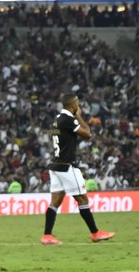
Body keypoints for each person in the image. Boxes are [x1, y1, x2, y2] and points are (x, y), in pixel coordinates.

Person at [41, 94, 115, 245]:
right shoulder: (68, 119)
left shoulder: (57, 119)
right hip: (66, 166)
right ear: (73, 105)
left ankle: (47, 236)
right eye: (77, 103)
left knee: (55, 201)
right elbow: (88, 134)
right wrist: (79, 117)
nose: (79, 105)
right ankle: (95, 233)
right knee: (82, 198)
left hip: (55, 166)